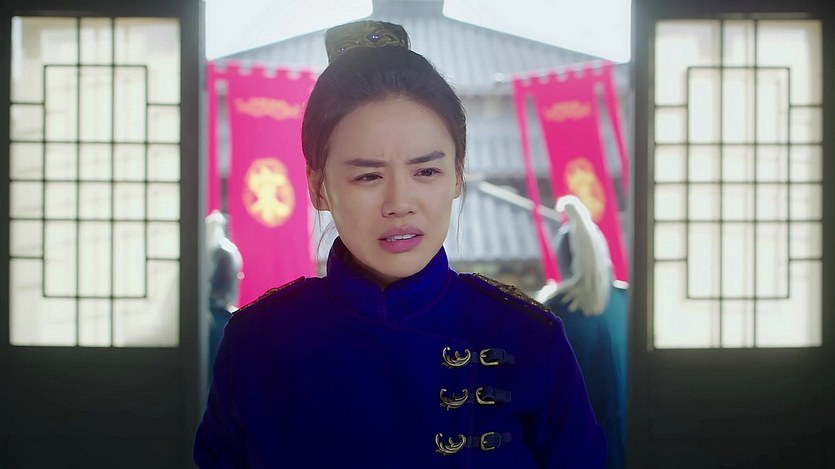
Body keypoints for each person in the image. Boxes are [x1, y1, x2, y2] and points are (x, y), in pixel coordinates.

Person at [194, 20, 605, 468]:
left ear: (457, 176)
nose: (400, 203)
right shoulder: (258, 341)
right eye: (368, 176)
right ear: (318, 187)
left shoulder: (529, 337)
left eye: (427, 171)